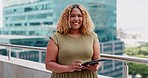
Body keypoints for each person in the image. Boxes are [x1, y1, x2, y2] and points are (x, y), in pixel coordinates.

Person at [45, 4, 101, 78]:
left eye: (79, 16)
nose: (76, 19)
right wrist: (69, 68)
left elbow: (97, 59)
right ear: (66, 18)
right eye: (72, 16)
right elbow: (49, 65)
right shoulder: (56, 37)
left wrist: (96, 67)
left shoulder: (92, 36)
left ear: (84, 18)